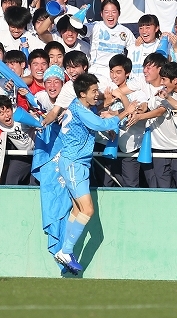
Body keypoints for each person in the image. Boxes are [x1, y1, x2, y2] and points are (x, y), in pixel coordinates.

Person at [53, 72, 127, 274]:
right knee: (88, 210)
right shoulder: (79, 109)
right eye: (94, 91)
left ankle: (65, 251)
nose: (97, 95)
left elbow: (93, 125)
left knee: (77, 210)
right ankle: (66, 251)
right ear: (82, 93)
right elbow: (99, 123)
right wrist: (124, 112)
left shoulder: (82, 108)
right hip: (74, 163)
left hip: (78, 163)